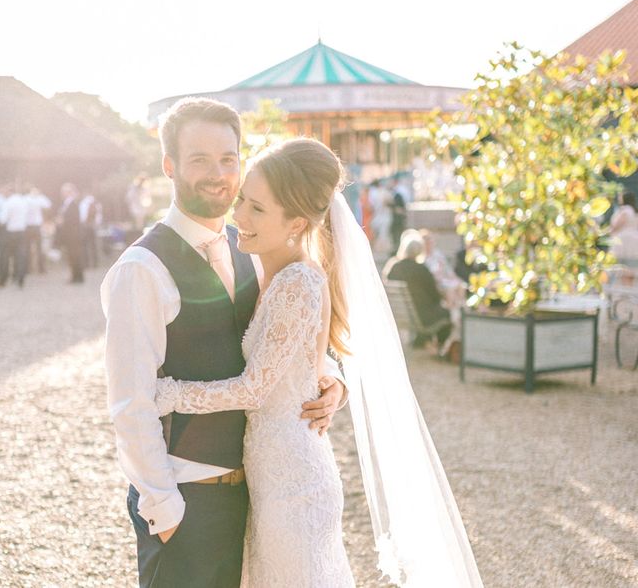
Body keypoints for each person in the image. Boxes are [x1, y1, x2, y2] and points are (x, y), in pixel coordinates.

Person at [155, 139, 483, 587]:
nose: (239, 217)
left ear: (296, 223)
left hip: (294, 481)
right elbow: (305, 357)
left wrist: (166, 393)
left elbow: (255, 388)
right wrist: (332, 381)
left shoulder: (298, 282)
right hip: (267, 472)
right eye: (242, 202)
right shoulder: (257, 265)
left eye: (256, 208)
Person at [101, 98, 347, 588]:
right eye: (199, 160)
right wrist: (165, 508)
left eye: (228, 159)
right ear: (168, 166)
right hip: (186, 497)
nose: (218, 175)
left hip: (256, 495)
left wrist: (331, 380)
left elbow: (291, 336)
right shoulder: (140, 270)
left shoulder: (253, 247)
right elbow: (130, 403)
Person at [383, 229, 453, 350]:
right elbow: (435, 296)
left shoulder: (393, 266)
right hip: (421, 317)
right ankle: (438, 347)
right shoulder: (421, 269)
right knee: (446, 314)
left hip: (398, 314)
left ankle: (422, 341)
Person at [0, 183, 29, 288]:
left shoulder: (8, 203)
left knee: (5, 256)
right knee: (20, 256)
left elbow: (3, 220)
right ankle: (20, 278)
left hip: (10, 232)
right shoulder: (23, 201)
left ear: (9, 192)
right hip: (22, 231)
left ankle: (3, 279)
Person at [58, 183, 84, 283]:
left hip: (73, 234)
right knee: (72, 256)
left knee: (74, 256)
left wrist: (62, 221)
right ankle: (75, 276)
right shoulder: (68, 204)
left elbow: (73, 220)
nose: (62, 194)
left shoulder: (72, 204)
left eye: (64, 192)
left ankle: (77, 277)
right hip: (71, 234)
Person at [25, 185, 51, 273]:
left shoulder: (26, 198)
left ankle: (28, 268)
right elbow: (48, 205)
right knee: (38, 248)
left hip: (29, 226)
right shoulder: (40, 198)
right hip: (35, 226)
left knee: (28, 248)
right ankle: (40, 268)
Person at [609, 191, 638, 261]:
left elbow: (617, 225)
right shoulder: (635, 211)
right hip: (635, 238)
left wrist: (608, 232)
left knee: (618, 262)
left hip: (622, 239)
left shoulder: (625, 210)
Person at [389, 176, 407, 255]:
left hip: (398, 221)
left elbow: (401, 209)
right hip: (396, 220)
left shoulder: (398, 195)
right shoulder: (395, 194)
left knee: (398, 236)